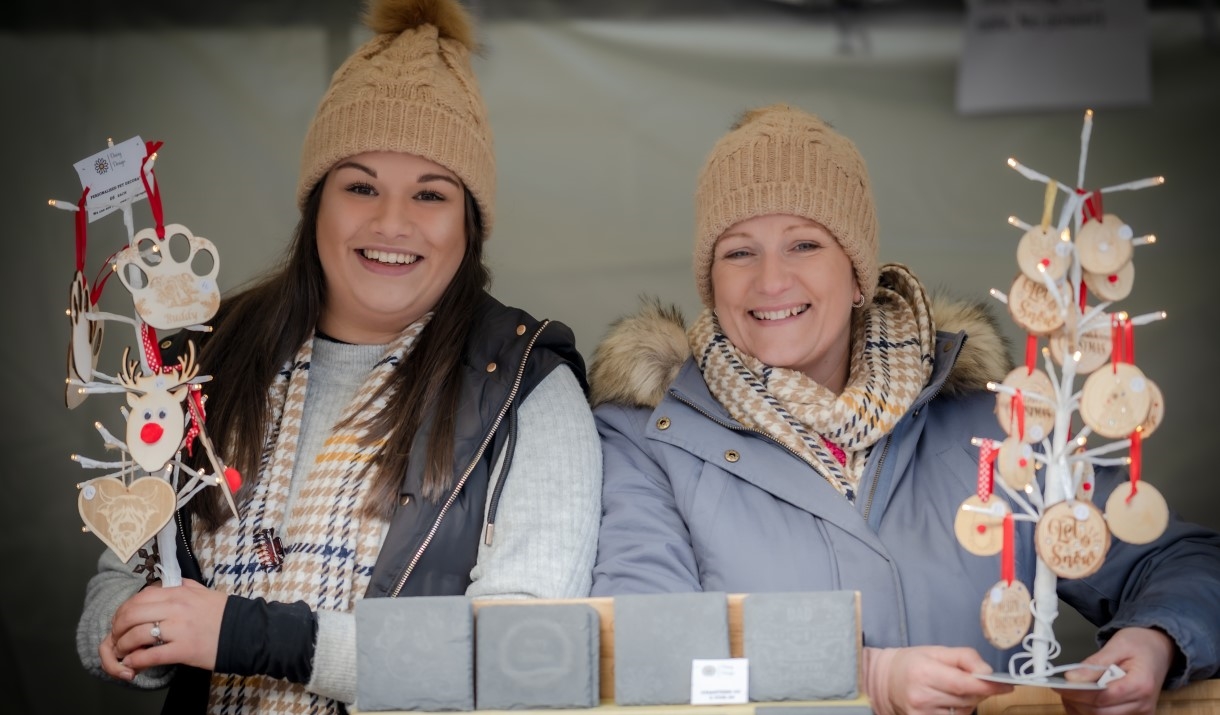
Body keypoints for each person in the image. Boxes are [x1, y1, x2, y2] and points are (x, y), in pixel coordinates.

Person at [588, 103, 1220, 715]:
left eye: (805, 244)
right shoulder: (648, 439)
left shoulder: (996, 422)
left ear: (859, 272)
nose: (770, 280)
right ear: (711, 281)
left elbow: (1182, 560)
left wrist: (1157, 639)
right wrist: (865, 677)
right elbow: (642, 639)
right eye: (738, 251)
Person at [76, 1, 602, 712]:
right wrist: (125, 624)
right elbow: (123, 566)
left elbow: (523, 658)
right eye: (360, 186)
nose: (392, 222)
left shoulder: (525, 387)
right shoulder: (208, 357)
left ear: (469, 223)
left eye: (430, 194)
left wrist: (250, 634)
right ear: (315, 202)